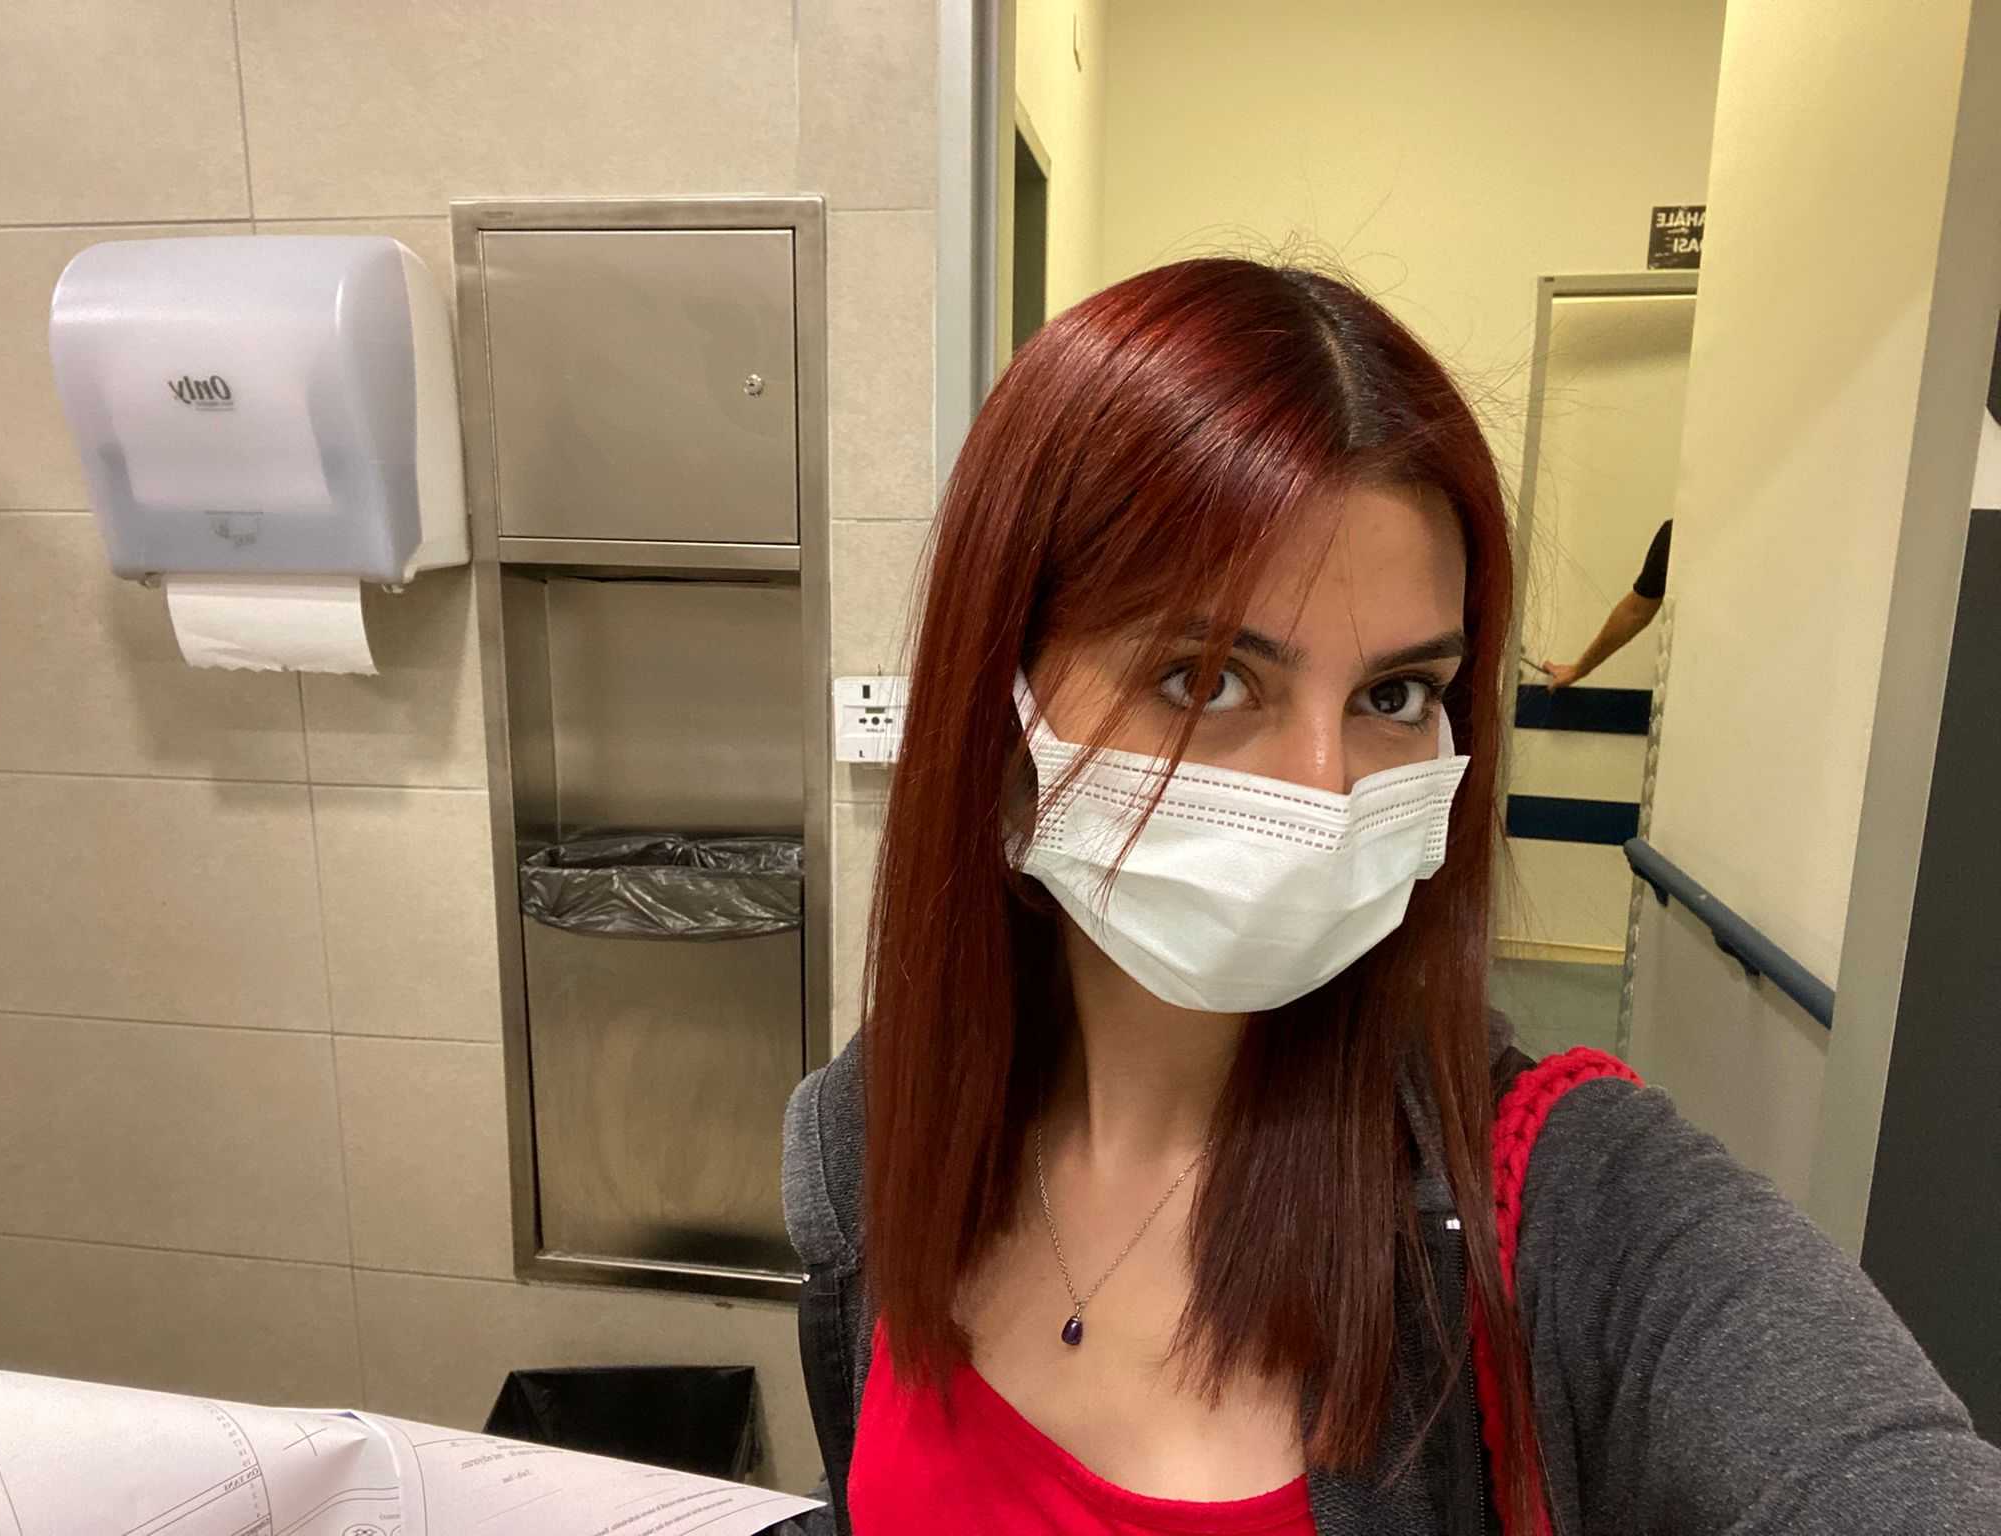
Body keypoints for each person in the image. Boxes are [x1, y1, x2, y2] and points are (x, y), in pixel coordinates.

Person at [777, 259, 2001, 1536]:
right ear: (1002, 714)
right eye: (1206, 678)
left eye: (1393, 696)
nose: (1325, 789)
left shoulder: (1559, 1215)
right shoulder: (877, 1135)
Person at [1543, 519, 1670, 690]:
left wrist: (1578, 670)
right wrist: (1577, 670)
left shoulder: (1678, 534)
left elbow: (1636, 613)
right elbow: (1635, 613)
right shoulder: (1675, 535)